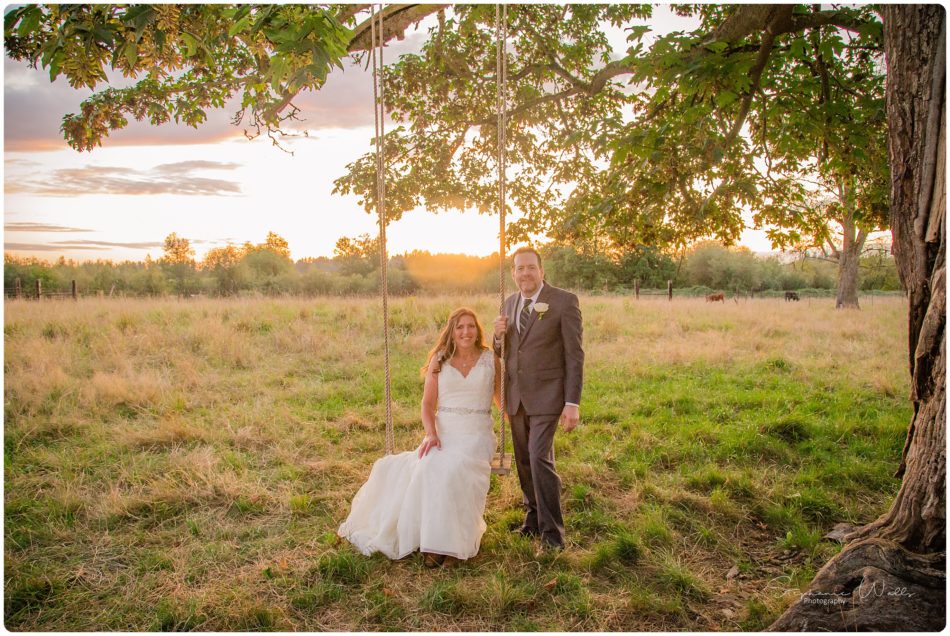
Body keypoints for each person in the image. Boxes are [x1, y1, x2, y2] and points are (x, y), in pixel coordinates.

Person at [338, 308, 501, 567]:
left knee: (455, 470)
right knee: (429, 467)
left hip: (476, 434)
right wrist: (431, 434)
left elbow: (502, 400)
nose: (466, 332)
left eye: (471, 326)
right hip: (445, 432)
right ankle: (435, 543)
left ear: (478, 330)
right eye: (460, 327)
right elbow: (427, 405)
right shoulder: (440, 359)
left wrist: (525, 418)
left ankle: (453, 548)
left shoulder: (491, 360)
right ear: (452, 331)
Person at [493, 246, 584, 553]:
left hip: (548, 395)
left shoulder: (563, 301)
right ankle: (532, 520)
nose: (525, 274)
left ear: (542, 270)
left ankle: (553, 533)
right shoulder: (508, 303)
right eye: (519, 268)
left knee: (538, 457)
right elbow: (503, 352)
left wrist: (572, 403)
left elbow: (575, 355)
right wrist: (496, 336)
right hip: (516, 396)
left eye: (531, 267)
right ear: (514, 273)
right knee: (522, 461)